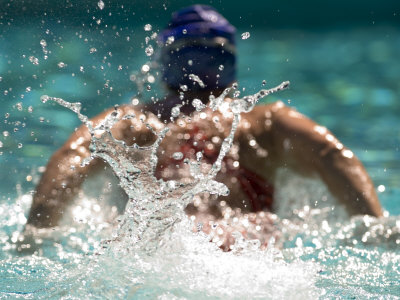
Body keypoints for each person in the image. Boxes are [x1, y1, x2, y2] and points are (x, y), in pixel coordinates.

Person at [25, 5, 382, 250]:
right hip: (244, 248)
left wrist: (35, 234)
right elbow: (332, 155)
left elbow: (70, 158)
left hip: (156, 253)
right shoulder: (262, 121)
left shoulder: (132, 122)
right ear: (229, 64)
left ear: (166, 64)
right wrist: (374, 222)